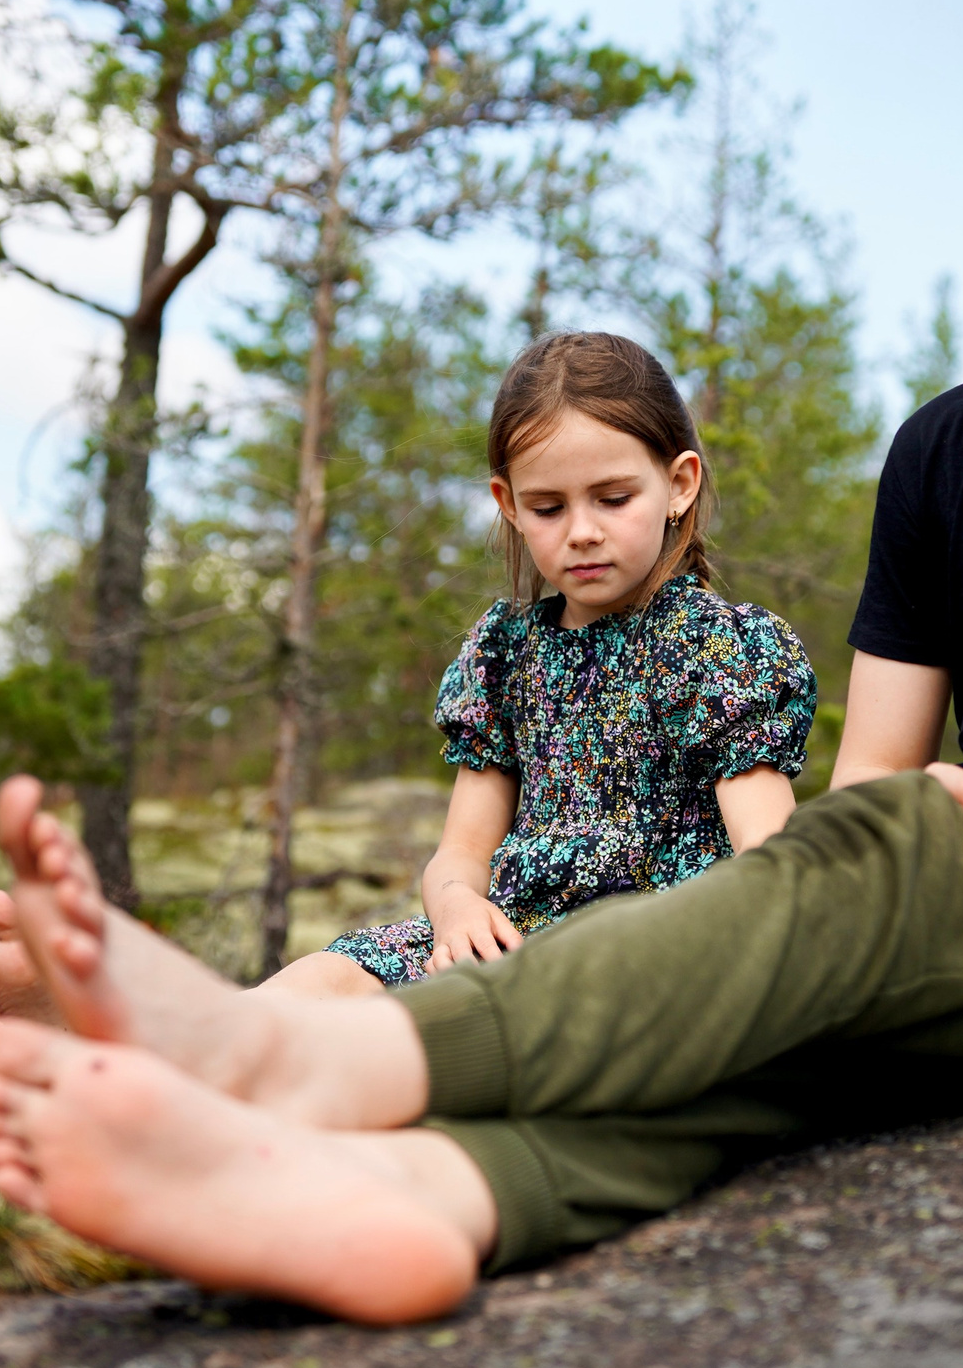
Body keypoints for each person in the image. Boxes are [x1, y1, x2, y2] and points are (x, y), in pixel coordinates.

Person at [0, 0, 963, 1328]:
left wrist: (933, 839)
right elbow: (878, 770)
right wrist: (908, 831)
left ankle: (291, 1059)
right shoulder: (945, 449)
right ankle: (424, 1195)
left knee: (870, 885)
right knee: (776, 1017)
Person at [271, 331, 816, 997]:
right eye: (548, 507)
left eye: (613, 499)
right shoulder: (505, 654)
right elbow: (462, 853)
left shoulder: (712, 649)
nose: (581, 530)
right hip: (515, 941)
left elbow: (770, 857)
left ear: (679, 484)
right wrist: (457, 910)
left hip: (656, 951)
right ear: (509, 504)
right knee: (320, 979)